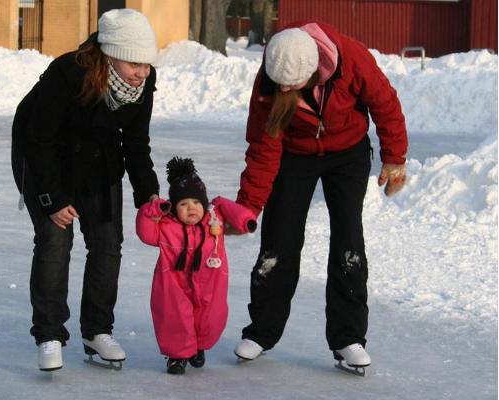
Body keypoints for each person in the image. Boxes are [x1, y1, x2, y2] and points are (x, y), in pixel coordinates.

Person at [232, 21, 408, 372]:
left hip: (348, 153)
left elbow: (385, 103)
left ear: (315, 72)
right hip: (294, 156)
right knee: (279, 240)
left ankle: (348, 338)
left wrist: (394, 158)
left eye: (292, 87)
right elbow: (263, 147)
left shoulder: (351, 58)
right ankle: (261, 331)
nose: (285, 91)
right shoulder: (271, 75)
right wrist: (248, 206)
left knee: (348, 242)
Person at [11, 9, 161, 371]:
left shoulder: (142, 83)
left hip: (99, 158)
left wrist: (149, 195)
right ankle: (49, 333)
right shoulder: (69, 73)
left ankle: (97, 330)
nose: (143, 72)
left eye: (147, 63)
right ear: (111, 54)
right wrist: (52, 198)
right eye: (135, 64)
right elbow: (38, 138)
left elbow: (136, 143)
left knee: (108, 243)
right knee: (55, 240)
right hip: (46, 158)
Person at [136, 157, 257, 374]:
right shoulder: (167, 226)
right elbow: (145, 232)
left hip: (210, 279)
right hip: (174, 281)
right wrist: (154, 209)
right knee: (175, 316)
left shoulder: (214, 218)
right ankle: (177, 356)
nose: (191, 208)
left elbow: (232, 210)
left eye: (196, 203)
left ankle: (198, 347)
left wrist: (246, 221)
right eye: (183, 204)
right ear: (174, 207)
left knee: (211, 316)